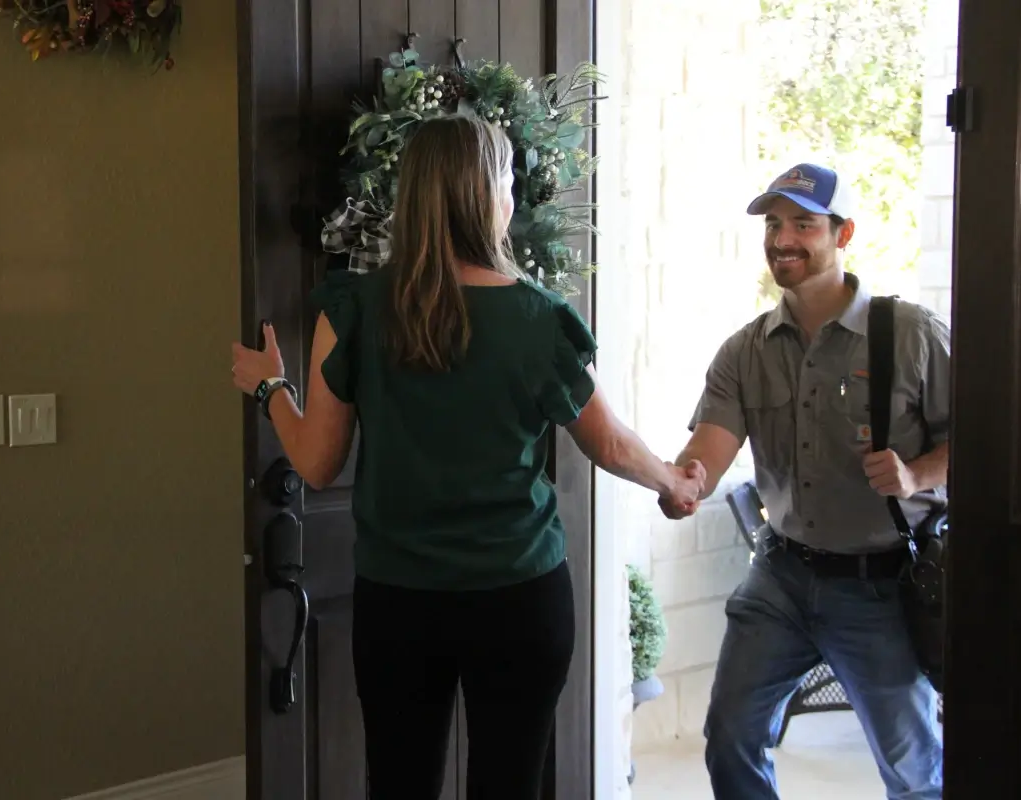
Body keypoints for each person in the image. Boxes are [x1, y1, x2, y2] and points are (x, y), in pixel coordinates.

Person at [231, 114, 702, 800]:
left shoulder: (354, 309)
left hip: (399, 604)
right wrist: (674, 482)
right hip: (520, 599)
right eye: (508, 179)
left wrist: (272, 388)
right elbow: (610, 443)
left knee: (401, 786)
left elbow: (317, 464)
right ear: (488, 195)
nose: (513, 195)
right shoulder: (539, 318)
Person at [661, 163, 948, 799]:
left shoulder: (910, 334)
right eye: (773, 224)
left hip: (881, 586)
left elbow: (985, 441)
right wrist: (684, 483)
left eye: (803, 224)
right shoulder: (745, 351)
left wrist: (915, 474)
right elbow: (708, 449)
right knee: (731, 735)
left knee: (914, 773)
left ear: (843, 235)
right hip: (781, 576)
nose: (782, 239)